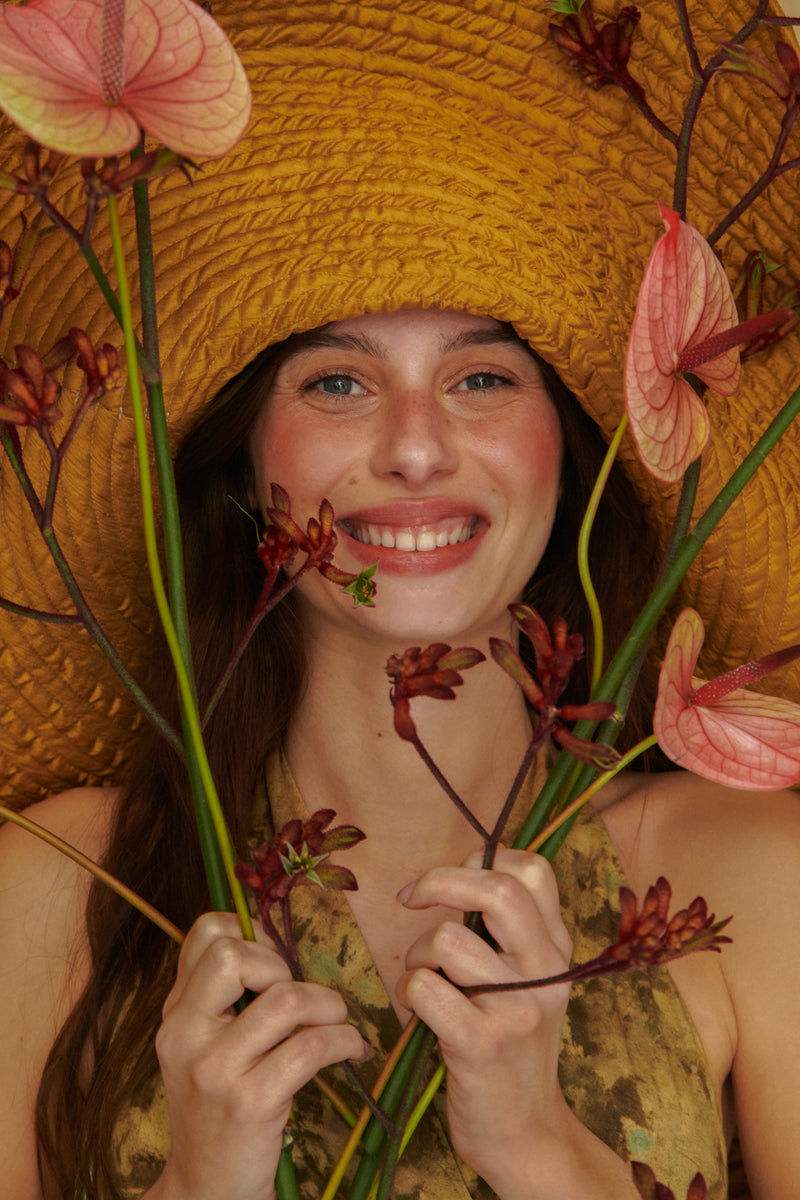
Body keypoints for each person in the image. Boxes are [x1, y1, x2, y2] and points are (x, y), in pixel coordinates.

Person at [0, 1, 799, 1199]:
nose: (416, 451)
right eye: (337, 382)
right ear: (242, 469)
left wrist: (536, 1143)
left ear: (565, 454)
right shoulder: (62, 882)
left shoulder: (741, 873)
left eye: (481, 376)